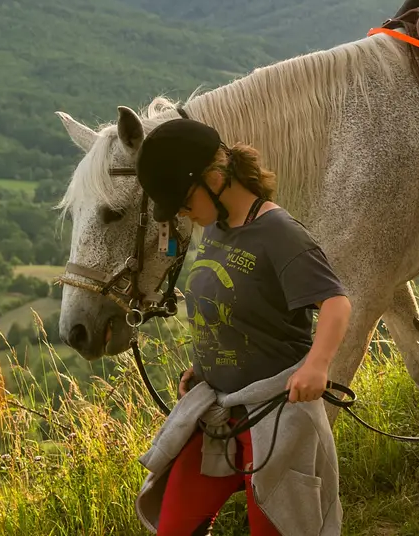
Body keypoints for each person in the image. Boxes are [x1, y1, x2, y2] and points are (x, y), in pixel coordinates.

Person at [133, 117, 352, 536]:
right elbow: (225, 303)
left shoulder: (280, 233)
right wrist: (205, 368)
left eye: (182, 201)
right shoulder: (216, 225)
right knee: (174, 527)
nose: (181, 213)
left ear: (214, 178)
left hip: (275, 412)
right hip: (217, 407)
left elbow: (336, 303)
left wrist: (316, 367)